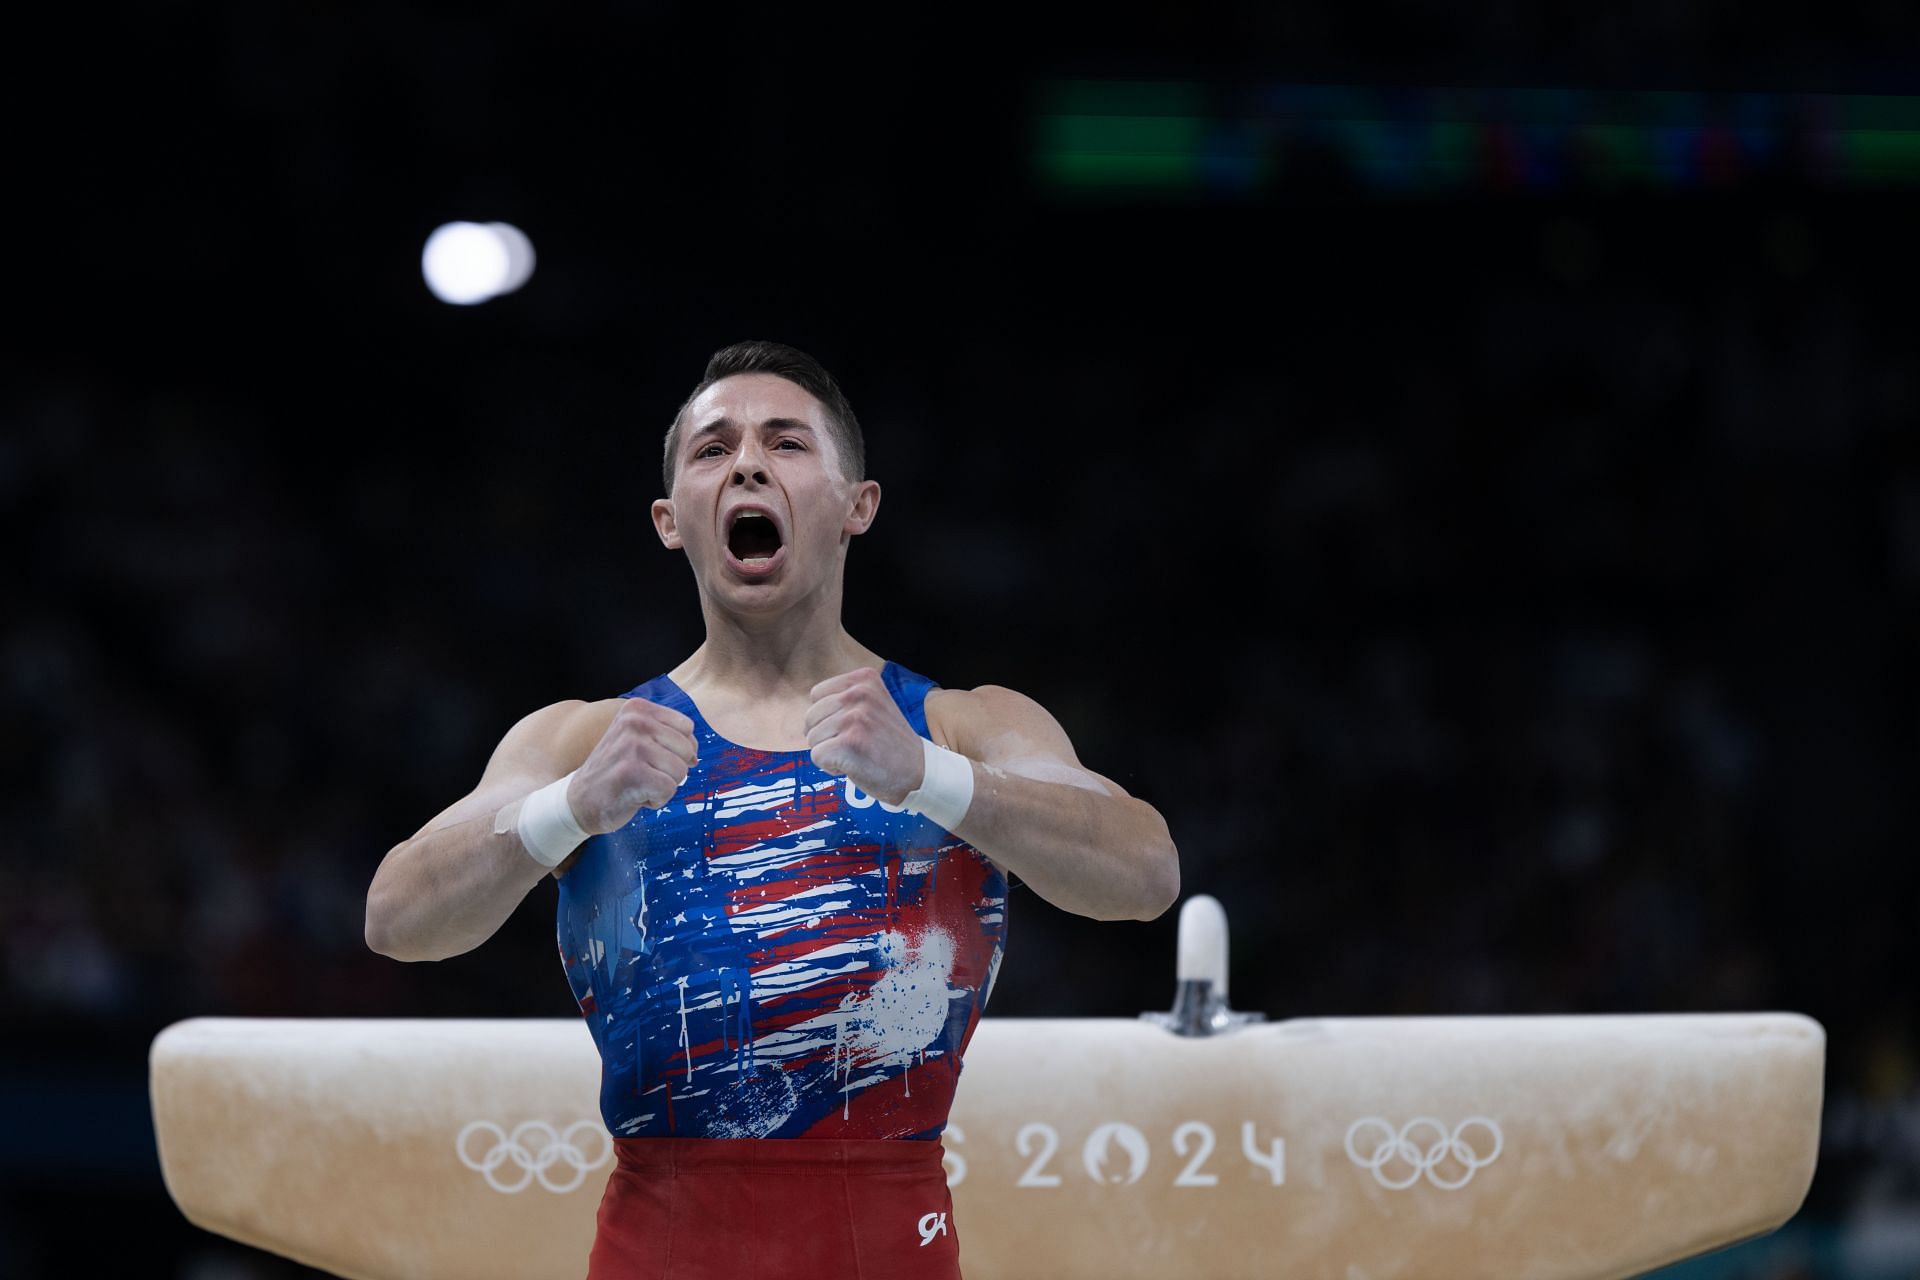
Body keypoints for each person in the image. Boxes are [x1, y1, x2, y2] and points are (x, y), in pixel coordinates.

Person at [363, 340, 1181, 1280]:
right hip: (660, 1239)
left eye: (786, 442)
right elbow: (396, 919)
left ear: (856, 505)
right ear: (672, 521)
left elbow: (1145, 875)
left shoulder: (960, 727)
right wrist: (572, 807)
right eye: (713, 450)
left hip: (885, 1239)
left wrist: (929, 778)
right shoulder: (582, 745)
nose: (746, 461)